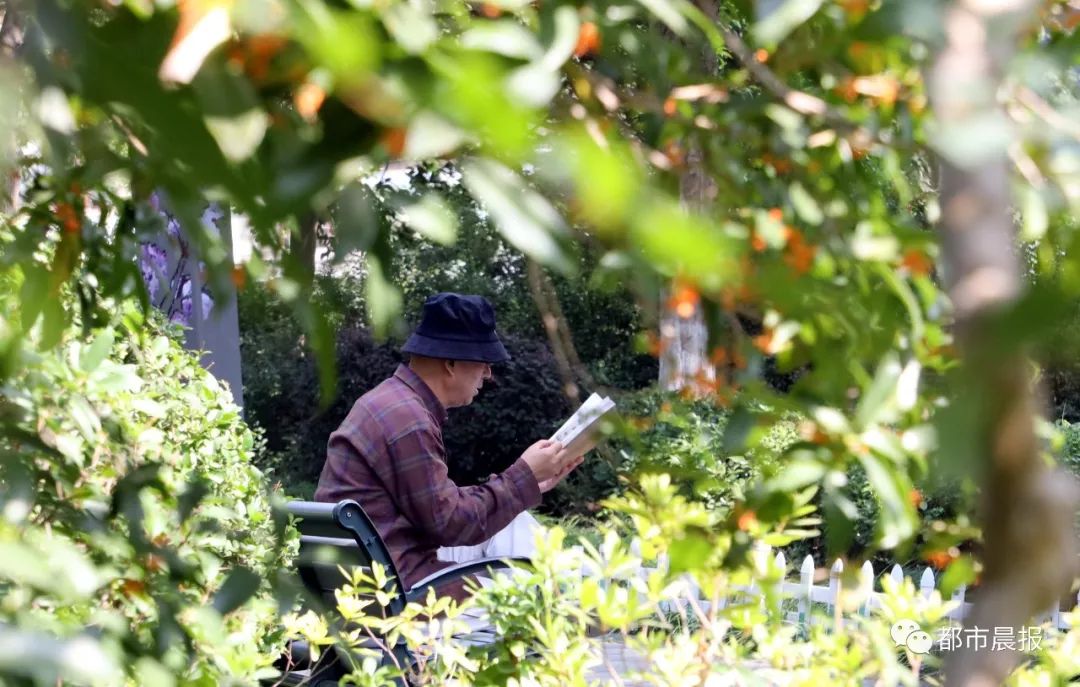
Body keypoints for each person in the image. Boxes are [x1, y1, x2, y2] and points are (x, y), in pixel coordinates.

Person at [314, 292, 583, 601]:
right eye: (484, 361)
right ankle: (576, 608)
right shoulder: (408, 420)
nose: (488, 373)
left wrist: (530, 482)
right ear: (451, 363)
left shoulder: (390, 402)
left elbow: (437, 507)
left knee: (513, 526)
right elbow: (451, 524)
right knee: (520, 596)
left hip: (370, 571)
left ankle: (574, 597)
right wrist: (523, 476)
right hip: (398, 592)